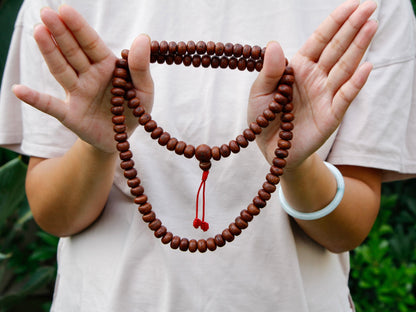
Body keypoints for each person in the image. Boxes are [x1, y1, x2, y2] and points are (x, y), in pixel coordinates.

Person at [0, 0, 415, 310]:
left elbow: (349, 229)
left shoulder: (370, 11)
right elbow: (55, 214)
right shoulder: (65, 7)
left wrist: (297, 164)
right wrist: (99, 145)